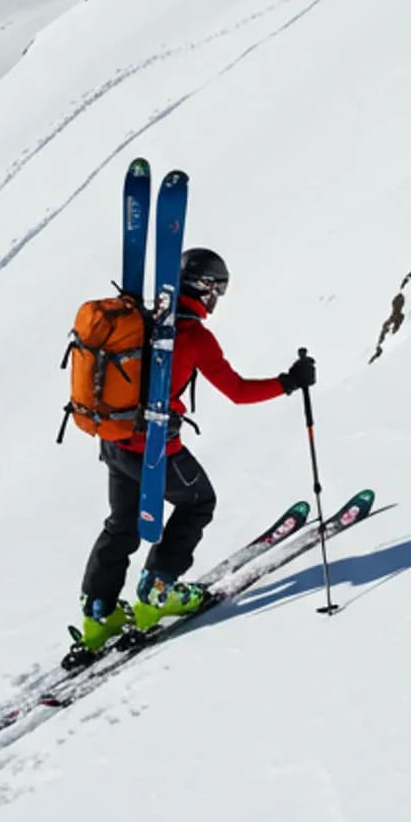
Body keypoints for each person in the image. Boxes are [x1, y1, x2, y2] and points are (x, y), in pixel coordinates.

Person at [75, 248, 315, 651]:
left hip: (114, 439)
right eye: (217, 288)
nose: (217, 298)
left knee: (122, 523)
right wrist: (289, 382)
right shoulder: (194, 337)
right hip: (155, 449)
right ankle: (158, 592)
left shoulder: (139, 319)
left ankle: (98, 614)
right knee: (199, 502)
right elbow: (237, 391)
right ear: (204, 288)